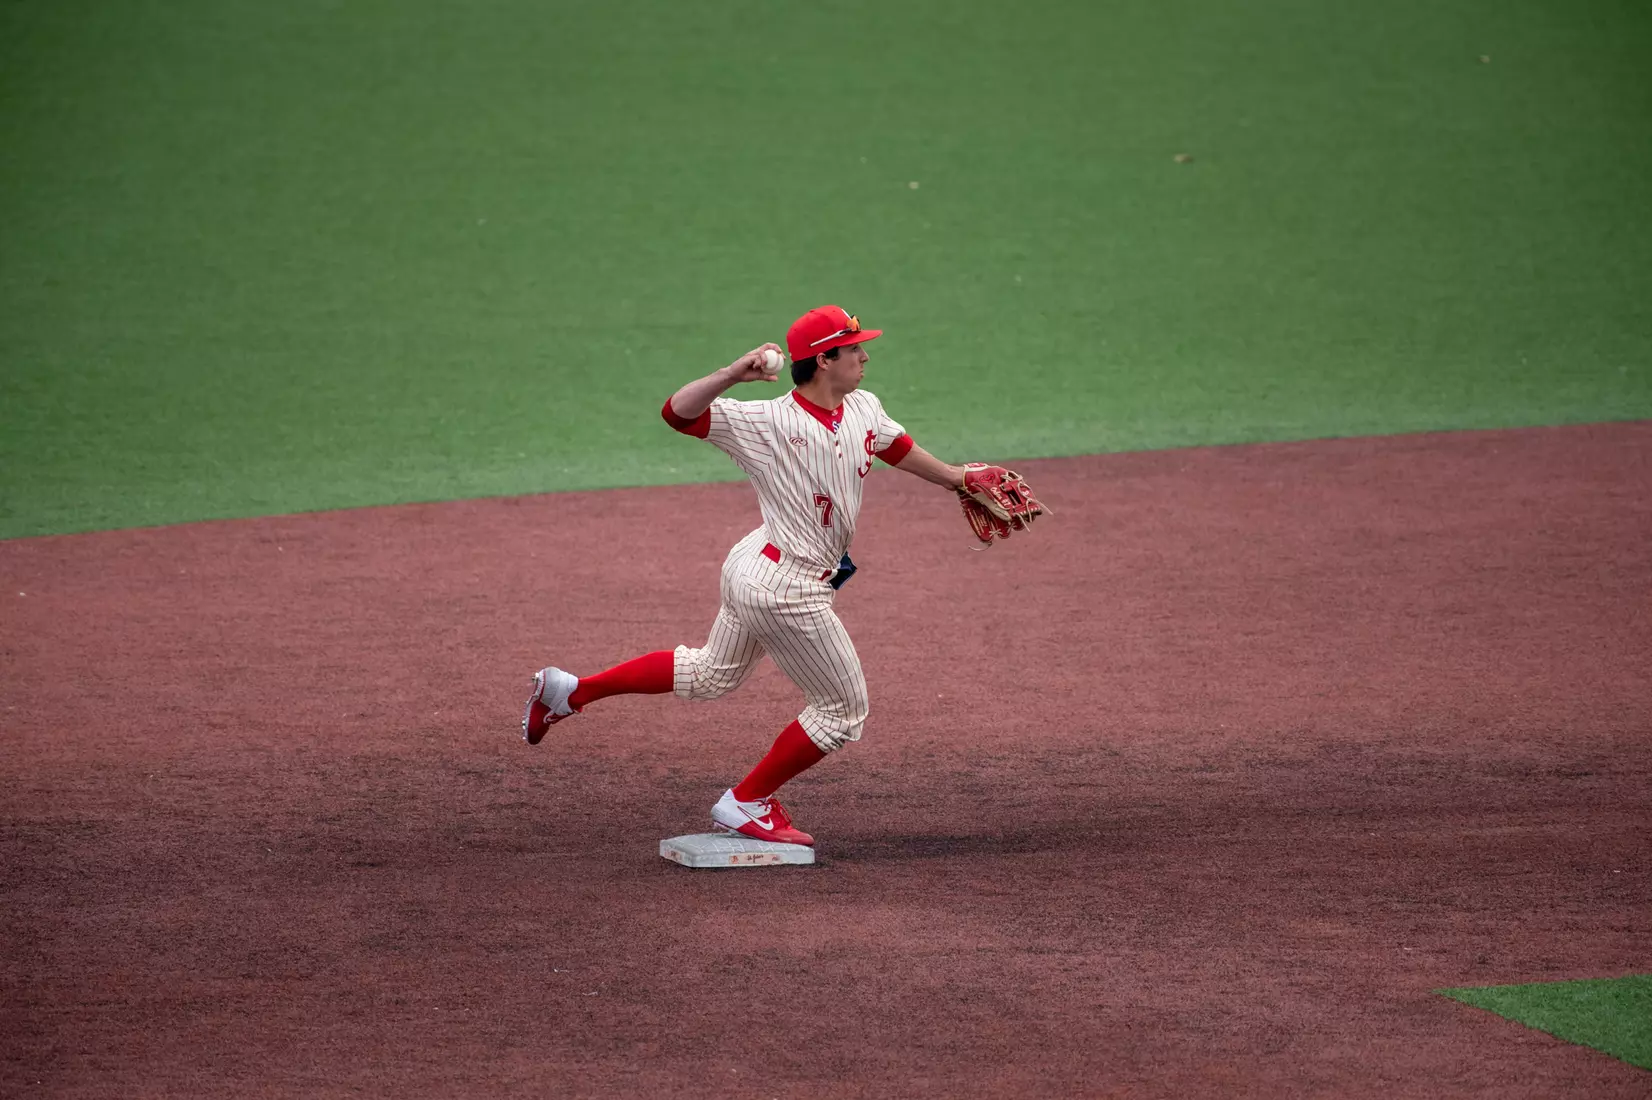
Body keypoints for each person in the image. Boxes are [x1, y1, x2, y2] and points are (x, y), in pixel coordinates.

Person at [521, 305, 1044, 846]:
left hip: (755, 566)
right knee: (842, 710)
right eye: (854, 348)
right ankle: (746, 802)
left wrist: (957, 478)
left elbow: (892, 445)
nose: (865, 356)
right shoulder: (765, 422)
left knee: (710, 675)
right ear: (823, 360)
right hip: (784, 589)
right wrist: (730, 375)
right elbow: (676, 414)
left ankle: (569, 692)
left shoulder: (862, 406)